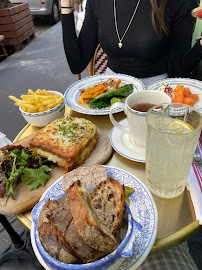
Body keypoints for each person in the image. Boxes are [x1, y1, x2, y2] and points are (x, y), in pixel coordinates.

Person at [60, 0, 202, 86]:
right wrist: (66, 6)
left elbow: (177, 70)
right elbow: (76, 64)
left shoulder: (178, 2)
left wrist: (200, 46)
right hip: (111, 91)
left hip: (157, 92)